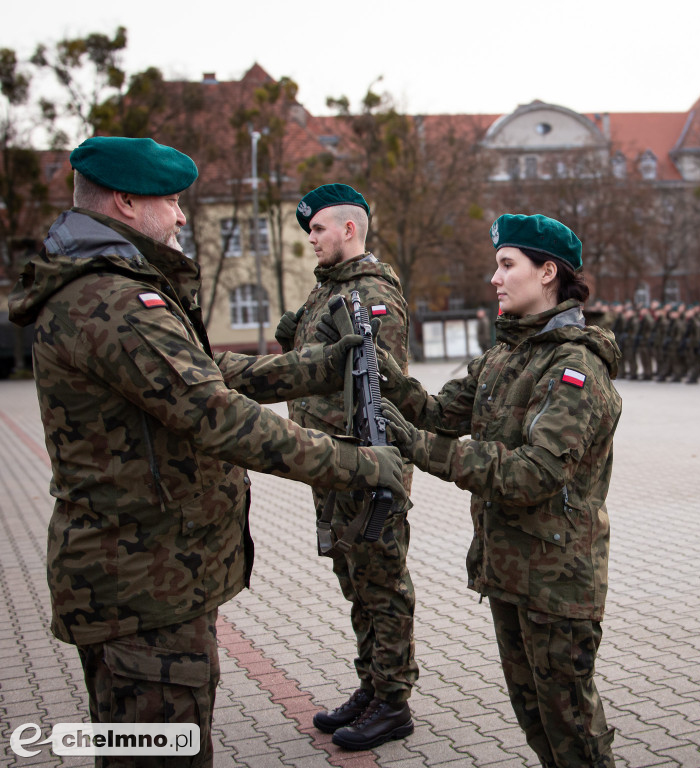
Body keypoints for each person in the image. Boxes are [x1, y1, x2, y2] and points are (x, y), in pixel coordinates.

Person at [6, 137, 407, 768]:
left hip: (147, 576)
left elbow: (203, 371)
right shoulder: (115, 300)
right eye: (170, 199)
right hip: (141, 587)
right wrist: (361, 464)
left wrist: (317, 366)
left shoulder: (115, 287)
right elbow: (217, 414)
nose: (181, 215)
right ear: (127, 202)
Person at [376, 213, 621, 768]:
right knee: (534, 714)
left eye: (508, 265)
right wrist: (379, 367)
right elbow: (440, 413)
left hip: (557, 578)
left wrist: (418, 447)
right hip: (509, 567)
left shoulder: (572, 365)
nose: (496, 277)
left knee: (572, 727)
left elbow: (533, 473)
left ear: (548, 272)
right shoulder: (508, 353)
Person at [276, 183, 417, 750]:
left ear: (349, 230)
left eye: (317, 230)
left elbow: (382, 389)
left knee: (382, 584)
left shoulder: (369, 293)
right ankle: (372, 684)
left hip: (364, 468)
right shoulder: (327, 293)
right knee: (355, 583)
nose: (310, 240)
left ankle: (393, 701)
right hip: (331, 466)